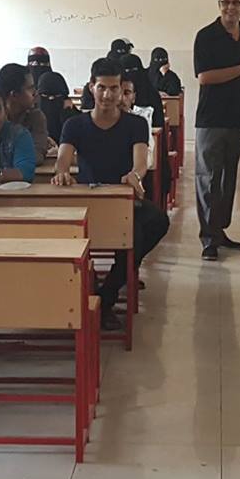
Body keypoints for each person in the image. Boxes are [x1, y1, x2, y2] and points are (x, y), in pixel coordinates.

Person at [54, 59, 171, 331]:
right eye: (102, 88)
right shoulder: (75, 124)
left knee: (154, 225)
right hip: (87, 202)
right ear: (91, 87)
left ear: (122, 90)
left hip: (123, 201)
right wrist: (62, 174)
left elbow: (140, 163)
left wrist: (135, 175)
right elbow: (62, 160)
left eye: (114, 88)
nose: (107, 95)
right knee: (132, 238)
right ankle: (104, 290)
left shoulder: (135, 124)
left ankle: (105, 295)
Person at [193, 0, 240, 261]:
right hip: (211, 118)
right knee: (207, 177)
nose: (231, 7)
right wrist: (239, 69)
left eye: (236, 2)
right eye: (226, 2)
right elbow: (204, 77)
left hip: (238, 117)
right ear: (219, 4)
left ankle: (219, 230)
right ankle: (208, 238)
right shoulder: (206, 36)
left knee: (227, 178)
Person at [0, 62, 55, 158]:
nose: (36, 93)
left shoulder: (36, 117)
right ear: (14, 95)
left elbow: (36, 155)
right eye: (30, 88)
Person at [37, 69, 72, 142]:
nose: (51, 99)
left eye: (56, 96)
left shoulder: (76, 120)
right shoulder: (31, 118)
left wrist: (68, 113)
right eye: (45, 95)